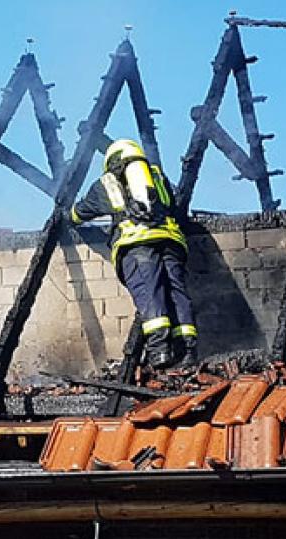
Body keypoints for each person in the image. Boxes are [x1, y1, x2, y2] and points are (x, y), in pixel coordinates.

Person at [69, 139, 197, 369]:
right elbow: (174, 207)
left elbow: (80, 213)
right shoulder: (157, 176)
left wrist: (66, 215)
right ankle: (187, 350)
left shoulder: (107, 183)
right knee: (176, 292)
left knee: (150, 294)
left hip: (137, 246)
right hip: (171, 242)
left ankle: (160, 352)